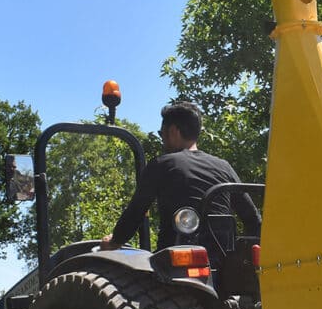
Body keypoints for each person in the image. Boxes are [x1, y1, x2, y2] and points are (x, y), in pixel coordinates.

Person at [100, 101, 260, 258]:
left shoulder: (162, 164)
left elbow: (135, 213)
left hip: (176, 264)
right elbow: (252, 219)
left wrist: (114, 241)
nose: (162, 139)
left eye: (161, 133)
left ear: (173, 131)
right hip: (224, 264)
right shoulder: (224, 167)